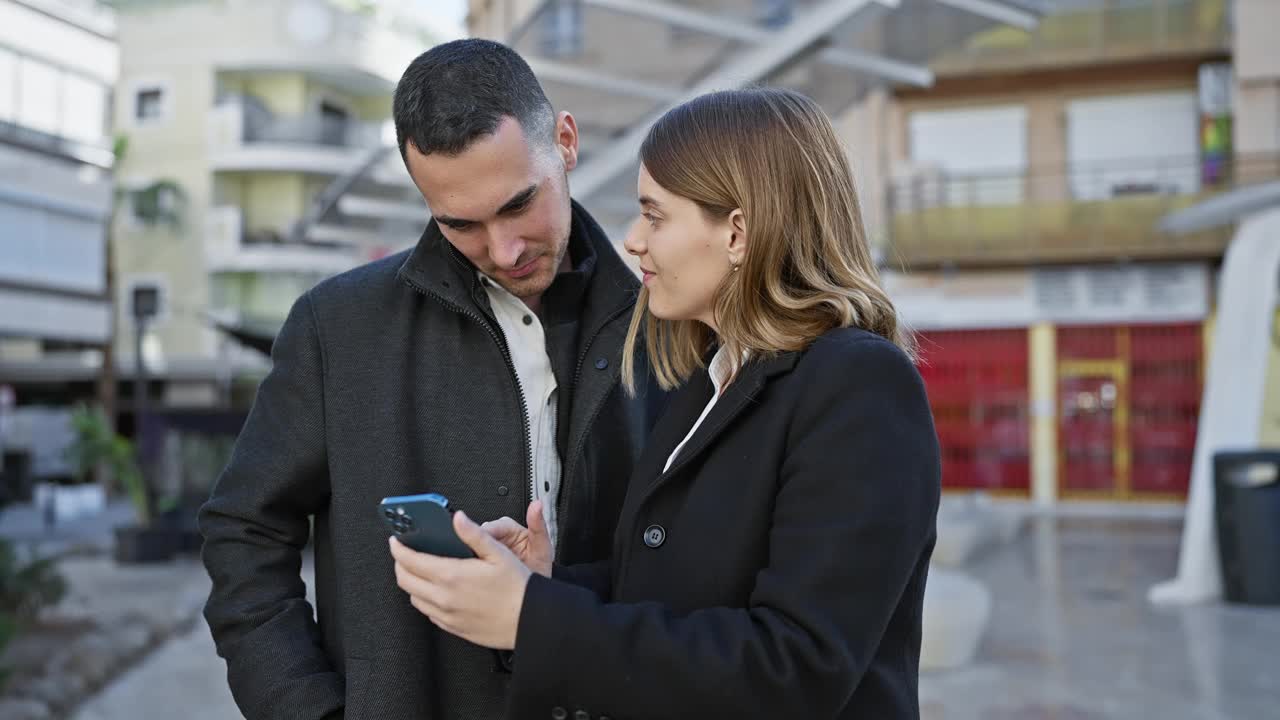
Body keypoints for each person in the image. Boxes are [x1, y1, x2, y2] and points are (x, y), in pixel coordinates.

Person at [389, 87, 942, 720]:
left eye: (655, 215)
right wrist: (543, 584)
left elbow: (795, 668)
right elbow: (676, 589)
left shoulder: (859, 386)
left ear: (737, 232)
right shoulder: (712, 382)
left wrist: (533, 619)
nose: (633, 241)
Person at [199, 39, 664, 720]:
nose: (503, 251)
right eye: (461, 224)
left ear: (565, 141)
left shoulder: (674, 321)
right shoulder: (337, 328)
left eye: (518, 204)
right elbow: (242, 533)